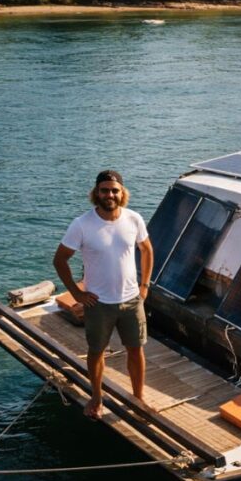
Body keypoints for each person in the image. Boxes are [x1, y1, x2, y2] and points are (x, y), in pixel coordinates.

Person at [53, 170, 154, 420]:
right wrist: (77, 293)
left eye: (114, 190)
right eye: (104, 190)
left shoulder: (134, 219)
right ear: (96, 193)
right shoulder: (82, 224)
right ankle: (96, 398)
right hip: (98, 304)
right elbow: (60, 260)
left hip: (132, 301)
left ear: (122, 193)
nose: (110, 194)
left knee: (136, 349)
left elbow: (147, 250)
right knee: (96, 351)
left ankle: (138, 398)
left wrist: (145, 287)